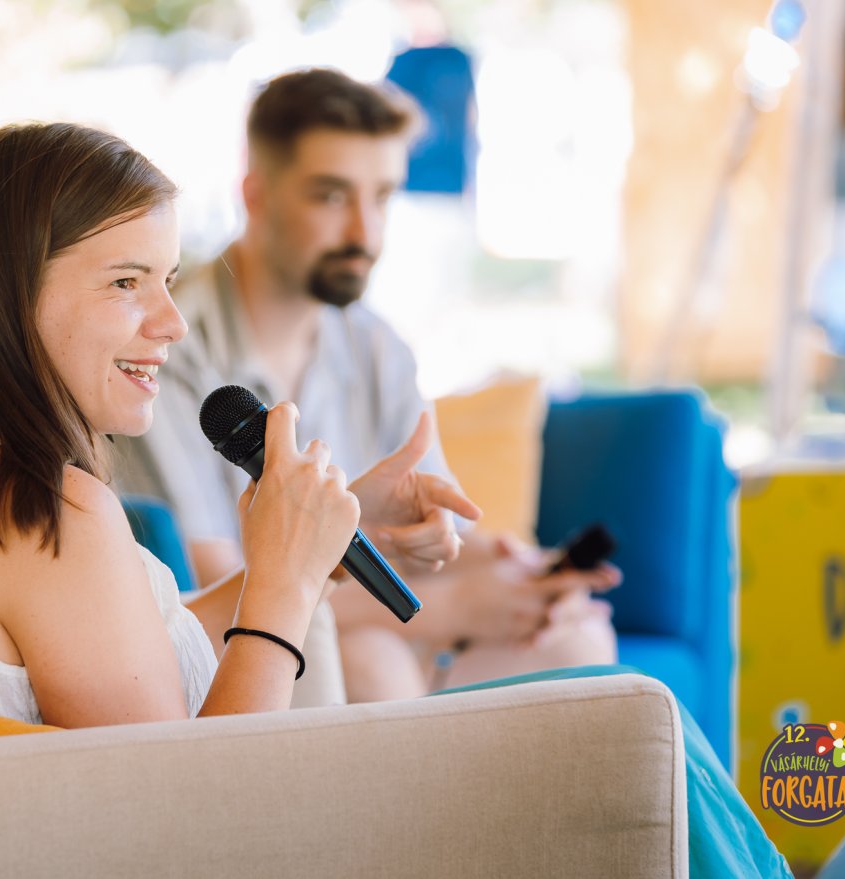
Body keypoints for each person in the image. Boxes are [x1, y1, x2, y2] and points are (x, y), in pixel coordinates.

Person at [0, 121, 471, 728]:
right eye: (127, 282)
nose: (173, 322)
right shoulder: (41, 512)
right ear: (7, 299)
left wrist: (312, 550)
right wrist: (283, 591)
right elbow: (189, 815)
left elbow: (141, 645)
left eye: (168, 280)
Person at [114, 68, 620, 703]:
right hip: (239, 652)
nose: (365, 234)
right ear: (257, 194)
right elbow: (221, 585)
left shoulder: (378, 347)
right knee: (370, 656)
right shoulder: (165, 344)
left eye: (382, 197)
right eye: (331, 196)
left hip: (356, 633)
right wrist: (457, 606)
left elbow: (426, 537)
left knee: (578, 636)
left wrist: (514, 568)